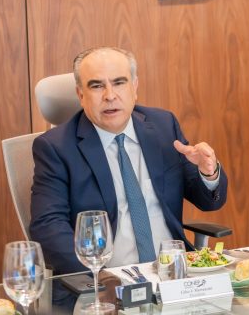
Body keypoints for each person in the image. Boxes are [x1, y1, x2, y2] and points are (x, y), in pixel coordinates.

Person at [30, 47, 227, 274]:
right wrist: (100, 279)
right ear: (81, 94)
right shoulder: (56, 148)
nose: (110, 95)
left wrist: (208, 173)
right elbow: (47, 227)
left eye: (119, 82)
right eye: (97, 86)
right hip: (109, 278)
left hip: (174, 272)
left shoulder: (163, 126)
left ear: (134, 87)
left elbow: (209, 202)